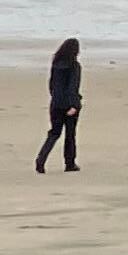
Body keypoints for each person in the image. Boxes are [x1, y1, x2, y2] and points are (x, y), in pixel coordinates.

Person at [36, 37, 82, 175]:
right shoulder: (74, 66)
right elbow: (73, 86)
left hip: (55, 104)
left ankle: (41, 160)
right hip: (69, 105)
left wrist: (56, 98)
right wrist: (74, 104)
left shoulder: (55, 64)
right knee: (70, 135)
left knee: (54, 133)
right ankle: (70, 163)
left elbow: (51, 84)